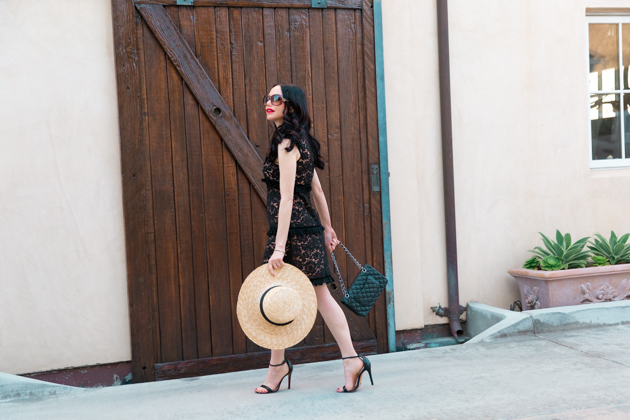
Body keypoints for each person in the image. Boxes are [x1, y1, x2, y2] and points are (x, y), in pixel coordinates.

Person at [255, 84, 372, 394]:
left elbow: (289, 197)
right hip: (304, 231)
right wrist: (328, 228)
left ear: (290, 106)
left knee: (310, 297)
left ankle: (349, 360)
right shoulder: (298, 140)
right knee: (290, 297)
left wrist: (279, 246)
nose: (269, 103)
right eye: (267, 98)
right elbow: (317, 190)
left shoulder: (288, 144)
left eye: (276, 98)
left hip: (294, 234)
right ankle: (281, 366)